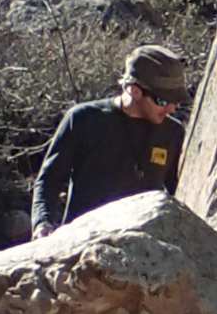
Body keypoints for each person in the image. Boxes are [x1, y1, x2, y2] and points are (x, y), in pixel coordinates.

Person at [30, 47, 190, 238]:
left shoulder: (172, 132)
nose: (171, 109)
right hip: (83, 241)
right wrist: (42, 223)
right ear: (134, 90)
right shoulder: (84, 120)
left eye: (176, 101)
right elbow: (49, 179)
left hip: (145, 246)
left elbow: (179, 192)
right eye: (163, 101)